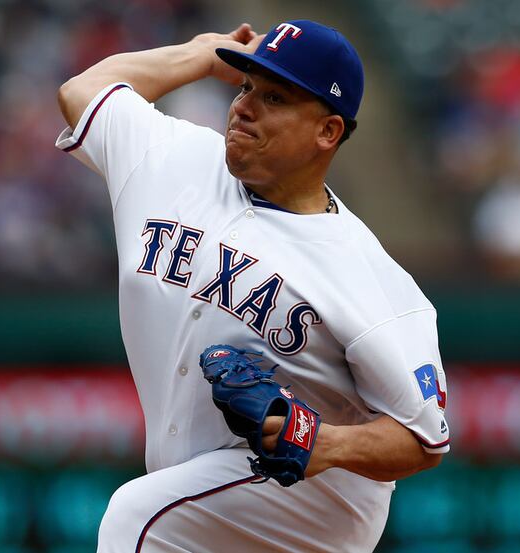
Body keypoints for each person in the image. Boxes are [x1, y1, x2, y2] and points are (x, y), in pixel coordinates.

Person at [56, 19, 449, 553]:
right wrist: (200, 54)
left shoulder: (368, 277)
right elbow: (82, 92)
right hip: (206, 487)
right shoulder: (174, 158)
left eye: (274, 96)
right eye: (245, 87)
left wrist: (326, 442)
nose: (243, 106)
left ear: (327, 132)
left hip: (318, 501)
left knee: (137, 517)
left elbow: (423, 438)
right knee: (158, 505)